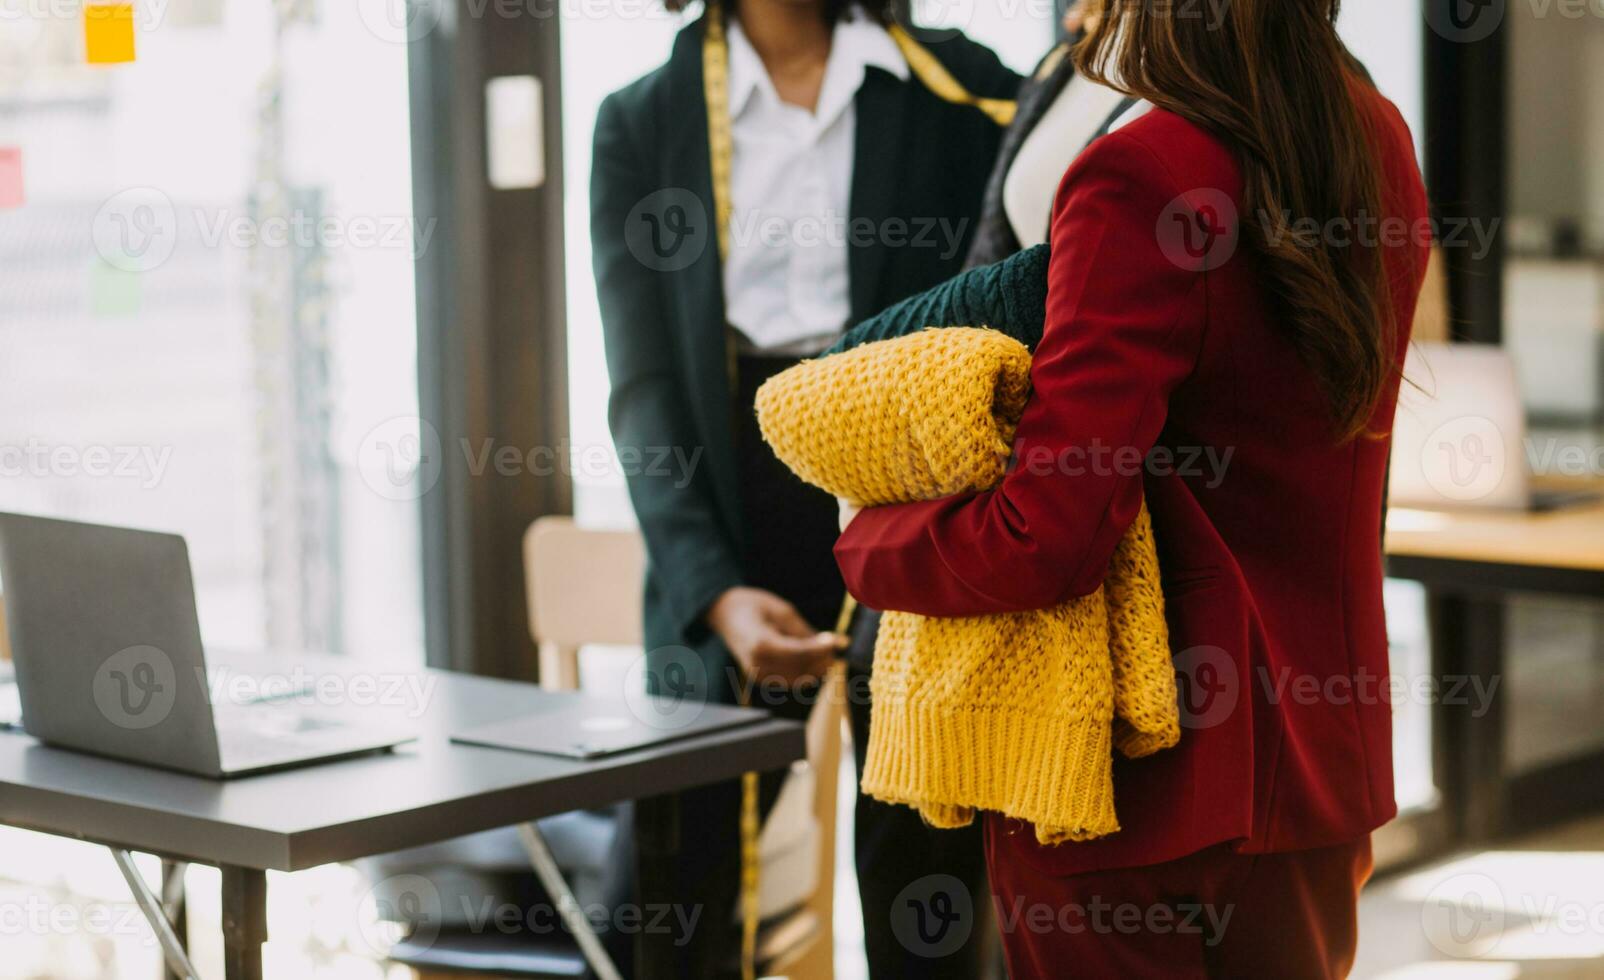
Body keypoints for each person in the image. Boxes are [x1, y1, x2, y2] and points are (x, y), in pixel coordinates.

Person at [832, 0, 1431, 974]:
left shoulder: (1139, 170)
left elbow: (1042, 534)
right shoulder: (1374, 131)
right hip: (1320, 757)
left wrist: (865, 540)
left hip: (1127, 783)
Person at [589, 0, 1018, 974]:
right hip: (731, 497)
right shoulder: (640, 120)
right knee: (672, 869)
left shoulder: (955, 84)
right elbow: (644, 390)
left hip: (905, 479)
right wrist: (713, 590)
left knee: (923, 836)